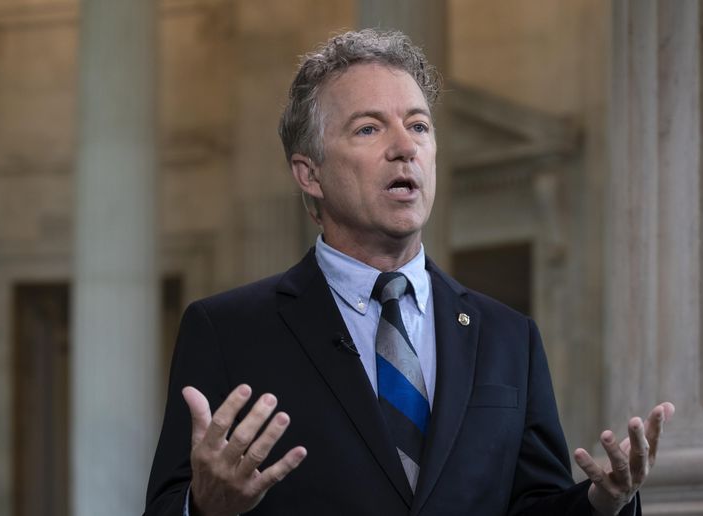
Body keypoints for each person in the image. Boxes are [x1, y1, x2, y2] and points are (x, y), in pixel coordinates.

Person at [144, 29, 674, 516]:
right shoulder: (228, 331)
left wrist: (602, 502)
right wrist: (203, 507)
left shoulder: (509, 337)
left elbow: (530, 505)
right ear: (310, 174)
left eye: (418, 125)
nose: (405, 147)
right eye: (370, 128)